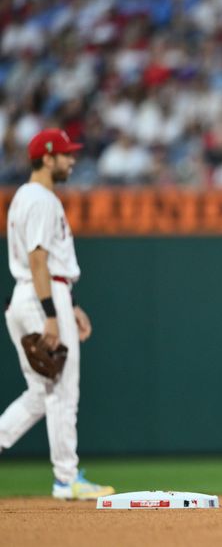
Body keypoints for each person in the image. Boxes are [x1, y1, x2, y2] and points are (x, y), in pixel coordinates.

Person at [0, 128, 114, 500]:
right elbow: (37, 260)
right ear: (47, 159)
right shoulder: (40, 199)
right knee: (63, 391)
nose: (72, 160)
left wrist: (72, 303)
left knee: (40, 392)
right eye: (65, 155)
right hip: (42, 295)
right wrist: (51, 313)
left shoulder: (25, 197)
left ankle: (63, 475)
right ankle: (67, 479)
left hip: (32, 295)